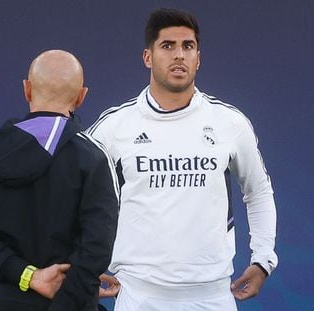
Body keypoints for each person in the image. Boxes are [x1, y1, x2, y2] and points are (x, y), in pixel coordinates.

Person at [87, 8, 278, 311]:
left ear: (198, 58)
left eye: (188, 46)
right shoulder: (114, 126)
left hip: (212, 294)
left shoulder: (229, 122)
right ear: (147, 57)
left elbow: (258, 192)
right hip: (138, 293)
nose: (179, 55)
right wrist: (82, 265)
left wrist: (263, 259)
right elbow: (76, 195)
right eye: (168, 46)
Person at [0, 50, 120, 311]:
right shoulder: (95, 158)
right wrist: (77, 288)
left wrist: (29, 276)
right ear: (81, 96)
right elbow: (96, 248)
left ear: (27, 89)